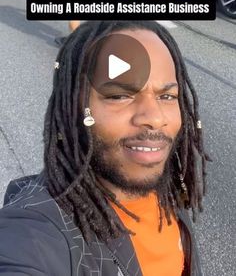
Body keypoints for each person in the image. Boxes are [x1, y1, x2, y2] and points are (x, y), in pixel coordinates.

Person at [0, 21, 209, 275]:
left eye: (166, 96)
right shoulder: (35, 232)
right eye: (119, 95)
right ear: (74, 109)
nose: (155, 117)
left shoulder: (169, 186)